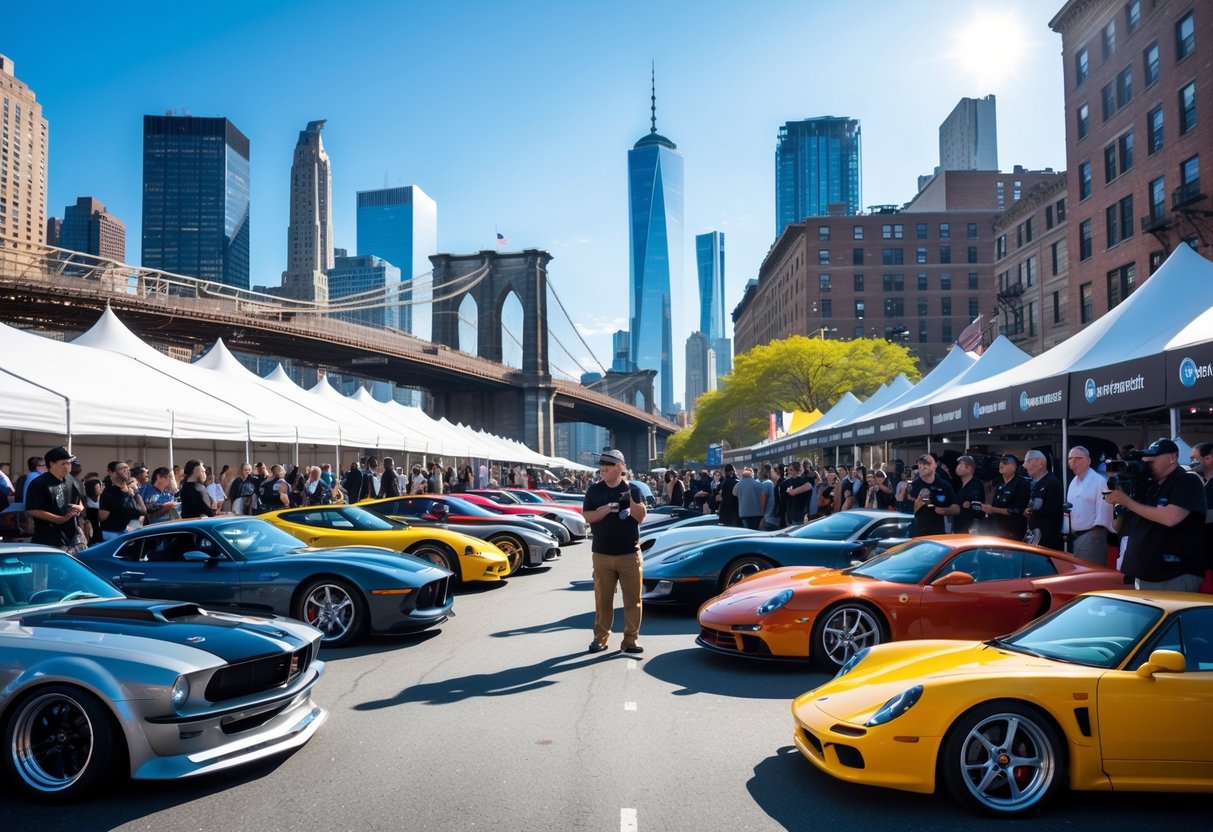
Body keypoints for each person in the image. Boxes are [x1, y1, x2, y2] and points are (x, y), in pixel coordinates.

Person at [1107, 438, 1207, 591]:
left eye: (1151, 461)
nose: (1146, 465)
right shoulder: (1149, 485)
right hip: (1145, 575)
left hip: (1175, 575)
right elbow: (1119, 525)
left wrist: (1127, 502)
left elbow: (1170, 518)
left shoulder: (1187, 480)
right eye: (1145, 461)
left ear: (1172, 458)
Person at [582, 449, 646, 654]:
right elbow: (587, 517)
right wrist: (607, 509)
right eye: (601, 469)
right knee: (602, 600)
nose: (602, 472)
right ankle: (600, 639)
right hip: (602, 555)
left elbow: (641, 516)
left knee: (633, 601)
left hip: (629, 553)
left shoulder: (633, 488)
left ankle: (631, 640)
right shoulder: (594, 490)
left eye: (607, 469)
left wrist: (630, 501)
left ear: (619, 468)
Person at [24, 446, 85, 551]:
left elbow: (80, 500)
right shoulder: (38, 483)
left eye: (69, 463)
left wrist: (79, 507)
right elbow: (33, 510)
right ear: (52, 464)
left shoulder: (73, 480)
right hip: (47, 538)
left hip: (72, 536)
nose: (67, 467)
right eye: (63, 464)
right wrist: (59, 519)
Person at [1065, 446, 1114, 566]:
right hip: (1075, 536)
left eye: (1078, 458)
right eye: (1070, 459)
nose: (1073, 462)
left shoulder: (1099, 481)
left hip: (1092, 535)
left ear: (1089, 461)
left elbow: (1104, 507)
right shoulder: (1073, 482)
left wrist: (1097, 530)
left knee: (1090, 573)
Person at [1023, 450, 1064, 550]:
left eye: (1028, 461)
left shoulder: (1052, 483)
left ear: (1040, 462)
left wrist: (1034, 509)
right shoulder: (1036, 484)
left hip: (1047, 541)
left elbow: (1055, 510)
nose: (1025, 466)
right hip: (1035, 538)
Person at [909, 454, 958, 537]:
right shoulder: (912, 487)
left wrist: (945, 510)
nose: (923, 466)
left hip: (939, 533)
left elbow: (956, 508)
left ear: (935, 465)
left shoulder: (945, 485)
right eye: (920, 463)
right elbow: (905, 514)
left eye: (927, 463)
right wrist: (916, 506)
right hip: (918, 534)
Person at [98, 460, 147, 540]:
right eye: (122, 468)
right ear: (114, 474)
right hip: (111, 534)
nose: (126, 470)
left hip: (127, 534)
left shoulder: (132, 491)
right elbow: (102, 517)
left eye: (127, 468)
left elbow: (143, 511)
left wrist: (135, 491)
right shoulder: (108, 492)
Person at [985, 454, 1030, 540]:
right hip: (996, 532)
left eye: (1005, 462)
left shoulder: (1021, 484)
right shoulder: (1000, 485)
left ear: (1014, 466)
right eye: (1000, 462)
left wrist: (992, 509)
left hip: (1013, 533)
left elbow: (1018, 511)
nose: (1000, 464)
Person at [951, 455, 985, 534]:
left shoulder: (975, 486)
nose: (957, 467)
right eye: (958, 464)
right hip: (959, 529)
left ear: (969, 468)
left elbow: (976, 510)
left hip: (968, 531)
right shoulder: (961, 486)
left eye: (961, 465)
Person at [783, 461, 813, 526]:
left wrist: (793, 491)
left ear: (797, 471)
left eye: (791, 470)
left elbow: (809, 486)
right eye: (788, 470)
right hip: (791, 516)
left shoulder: (803, 480)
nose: (789, 472)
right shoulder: (788, 481)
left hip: (800, 517)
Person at [760, 464, 779, 530]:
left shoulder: (766, 483)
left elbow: (763, 501)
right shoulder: (776, 483)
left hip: (768, 519)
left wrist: (762, 517)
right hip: (778, 520)